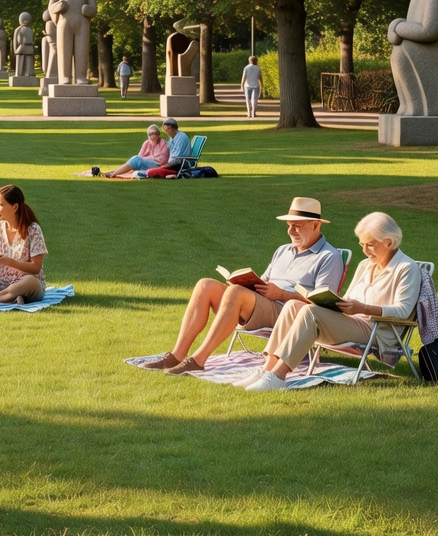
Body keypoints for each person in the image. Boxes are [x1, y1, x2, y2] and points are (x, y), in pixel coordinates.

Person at [145, 197, 345, 374]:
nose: (291, 231)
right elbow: (265, 280)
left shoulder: (329, 257)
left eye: (297, 226)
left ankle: (198, 360)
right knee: (205, 285)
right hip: (263, 303)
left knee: (235, 293)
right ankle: (177, 355)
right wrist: (246, 282)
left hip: (288, 313)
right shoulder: (283, 250)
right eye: (289, 225)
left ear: (316, 225)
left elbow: (322, 305)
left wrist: (282, 294)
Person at [239, 212, 421, 391]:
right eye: (362, 244)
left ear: (389, 242)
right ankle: (267, 368)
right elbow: (349, 297)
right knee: (294, 305)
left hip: (376, 330)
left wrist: (363, 307)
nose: (364, 251)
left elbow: (403, 310)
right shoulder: (365, 265)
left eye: (370, 245)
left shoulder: (406, 268)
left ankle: (278, 377)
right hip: (354, 321)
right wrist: (332, 302)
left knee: (310, 312)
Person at [0, 184, 47, 304]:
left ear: (15, 207)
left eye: (0, 205)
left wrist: (8, 262)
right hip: (0, 281)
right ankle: (7, 298)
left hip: (27, 281)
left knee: (28, 282)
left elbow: (36, 268)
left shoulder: (33, 229)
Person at [105, 124, 170, 178]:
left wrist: (144, 159)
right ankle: (115, 172)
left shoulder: (163, 143)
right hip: (145, 163)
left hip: (157, 165)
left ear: (158, 134)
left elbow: (162, 159)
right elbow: (140, 155)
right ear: (148, 135)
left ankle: (114, 173)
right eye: (150, 134)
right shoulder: (146, 143)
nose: (153, 136)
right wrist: (143, 160)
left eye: (155, 133)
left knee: (136, 159)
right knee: (135, 160)